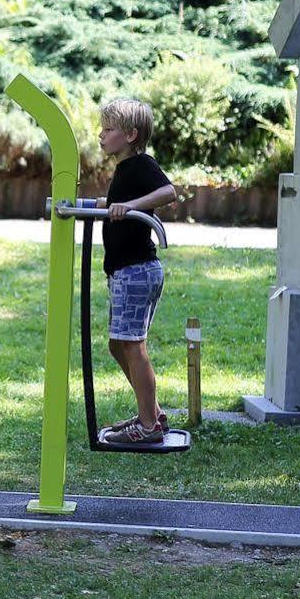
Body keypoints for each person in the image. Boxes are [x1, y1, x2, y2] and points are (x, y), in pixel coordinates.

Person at [96, 95, 180, 446]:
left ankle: (148, 426)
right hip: (124, 272)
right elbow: (124, 204)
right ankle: (153, 412)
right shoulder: (124, 169)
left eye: (108, 129)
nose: (101, 135)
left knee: (133, 346)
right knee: (119, 346)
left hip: (137, 271)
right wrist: (107, 205)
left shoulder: (142, 163)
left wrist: (129, 206)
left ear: (130, 135)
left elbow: (169, 192)